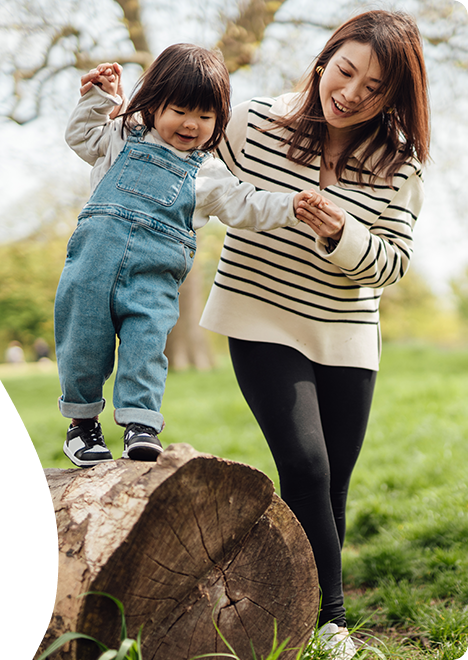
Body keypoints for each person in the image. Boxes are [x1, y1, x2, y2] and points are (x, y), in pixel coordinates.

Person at [200, 10, 430, 659]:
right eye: (347, 69)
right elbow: (190, 176)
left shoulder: (400, 164)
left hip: (347, 332)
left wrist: (339, 233)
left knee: (330, 486)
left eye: (375, 86)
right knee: (304, 462)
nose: (352, 91)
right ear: (325, 59)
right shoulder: (250, 121)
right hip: (259, 315)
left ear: (395, 97)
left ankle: (299, 602)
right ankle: (328, 622)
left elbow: (390, 265)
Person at [55, 43, 327, 469]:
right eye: (180, 110)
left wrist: (291, 206)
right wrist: (100, 98)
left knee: (146, 345)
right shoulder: (123, 134)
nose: (191, 124)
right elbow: (80, 135)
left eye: (205, 116)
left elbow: (247, 205)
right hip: (92, 264)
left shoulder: (207, 173)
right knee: (82, 341)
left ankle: (140, 425)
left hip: (154, 278)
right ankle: (83, 423)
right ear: (153, 104)